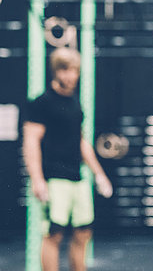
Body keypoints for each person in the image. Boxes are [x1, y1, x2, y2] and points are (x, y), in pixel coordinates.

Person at [22, 47, 113, 271]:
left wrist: (99, 175)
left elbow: (81, 142)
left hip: (77, 178)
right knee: (53, 234)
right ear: (56, 72)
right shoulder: (41, 103)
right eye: (65, 71)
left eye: (74, 71)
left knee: (83, 232)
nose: (70, 76)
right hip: (54, 179)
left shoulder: (74, 103)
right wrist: (37, 179)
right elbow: (31, 142)